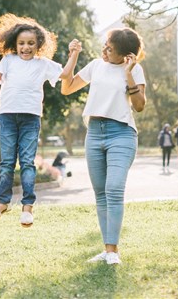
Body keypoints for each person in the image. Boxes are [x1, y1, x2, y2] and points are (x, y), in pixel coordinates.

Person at [60, 28, 147, 265]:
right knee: (101, 194)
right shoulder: (96, 65)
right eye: (105, 45)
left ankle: (113, 252)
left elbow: (139, 106)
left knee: (114, 189)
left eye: (110, 48)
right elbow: (66, 88)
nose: (105, 50)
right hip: (95, 133)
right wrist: (74, 56)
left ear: (126, 55)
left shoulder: (135, 69)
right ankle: (108, 250)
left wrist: (128, 74)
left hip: (122, 133)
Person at [0, 13, 76, 227]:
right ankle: (2, 203)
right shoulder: (8, 60)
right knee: (7, 162)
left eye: (31, 43)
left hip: (30, 118)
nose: (26, 47)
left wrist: (74, 53)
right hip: (7, 116)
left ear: (38, 44)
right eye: (22, 43)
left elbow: (65, 74)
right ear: (14, 44)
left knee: (27, 162)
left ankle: (27, 208)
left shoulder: (43, 64)